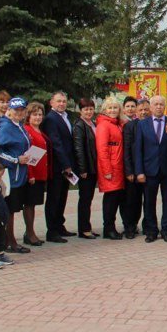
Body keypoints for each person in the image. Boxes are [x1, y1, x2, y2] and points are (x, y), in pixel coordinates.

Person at [0, 96, 31, 254]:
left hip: (20, 174)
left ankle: (9, 240)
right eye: (16, 110)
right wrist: (16, 159)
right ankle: (9, 241)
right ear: (9, 110)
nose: (19, 113)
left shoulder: (19, 125)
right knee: (9, 210)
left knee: (13, 209)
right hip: (10, 175)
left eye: (22, 110)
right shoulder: (6, 127)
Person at [135, 95, 167, 243]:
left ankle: (166, 230)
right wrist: (139, 171)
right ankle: (151, 231)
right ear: (150, 107)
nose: (158, 107)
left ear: (165, 107)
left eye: (161, 104)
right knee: (149, 202)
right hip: (149, 170)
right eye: (155, 104)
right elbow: (138, 149)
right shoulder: (142, 124)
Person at [42, 91, 76, 243]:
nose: (62, 103)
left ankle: (59, 225)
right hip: (58, 166)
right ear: (52, 102)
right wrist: (66, 164)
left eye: (64, 101)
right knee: (54, 198)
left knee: (62, 197)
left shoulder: (65, 117)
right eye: (58, 101)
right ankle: (52, 230)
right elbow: (56, 143)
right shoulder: (51, 119)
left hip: (66, 165)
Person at [96, 97, 126, 240]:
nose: (113, 110)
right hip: (111, 168)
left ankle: (111, 227)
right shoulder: (104, 125)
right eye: (110, 108)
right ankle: (108, 228)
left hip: (118, 166)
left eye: (115, 108)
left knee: (115, 198)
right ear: (105, 110)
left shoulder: (117, 124)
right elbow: (102, 149)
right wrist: (107, 170)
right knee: (111, 198)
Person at [23, 101, 51, 247]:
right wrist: (30, 174)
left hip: (41, 173)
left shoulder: (40, 131)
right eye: (35, 114)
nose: (38, 117)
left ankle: (30, 232)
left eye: (40, 115)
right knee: (29, 204)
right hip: (32, 175)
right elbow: (28, 156)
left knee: (34, 203)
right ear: (28, 116)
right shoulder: (27, 131)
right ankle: (30, 233)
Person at [121, 97, 148, 239]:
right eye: (141, 110)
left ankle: (147, 226)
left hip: (149, 170)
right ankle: (130, 227)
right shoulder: (130, 126)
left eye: (146, 110)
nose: (143, 112)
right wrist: (129, 170)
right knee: (132, 201)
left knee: (148, 202)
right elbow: (126, 150)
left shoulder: (151, 124)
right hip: (133, 171)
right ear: (136, 112)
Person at [72, 98, 98, 239]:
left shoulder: (92, 124)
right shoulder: (79, 125)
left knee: (88, 199)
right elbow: (79, 148)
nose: (89, 112)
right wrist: (82, 169)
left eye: (91, 109)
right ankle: (83, 229)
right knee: (85, 199)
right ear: (80, 111)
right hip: (86, 169)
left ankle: (87, 226)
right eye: (86, 109)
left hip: (93, 167)